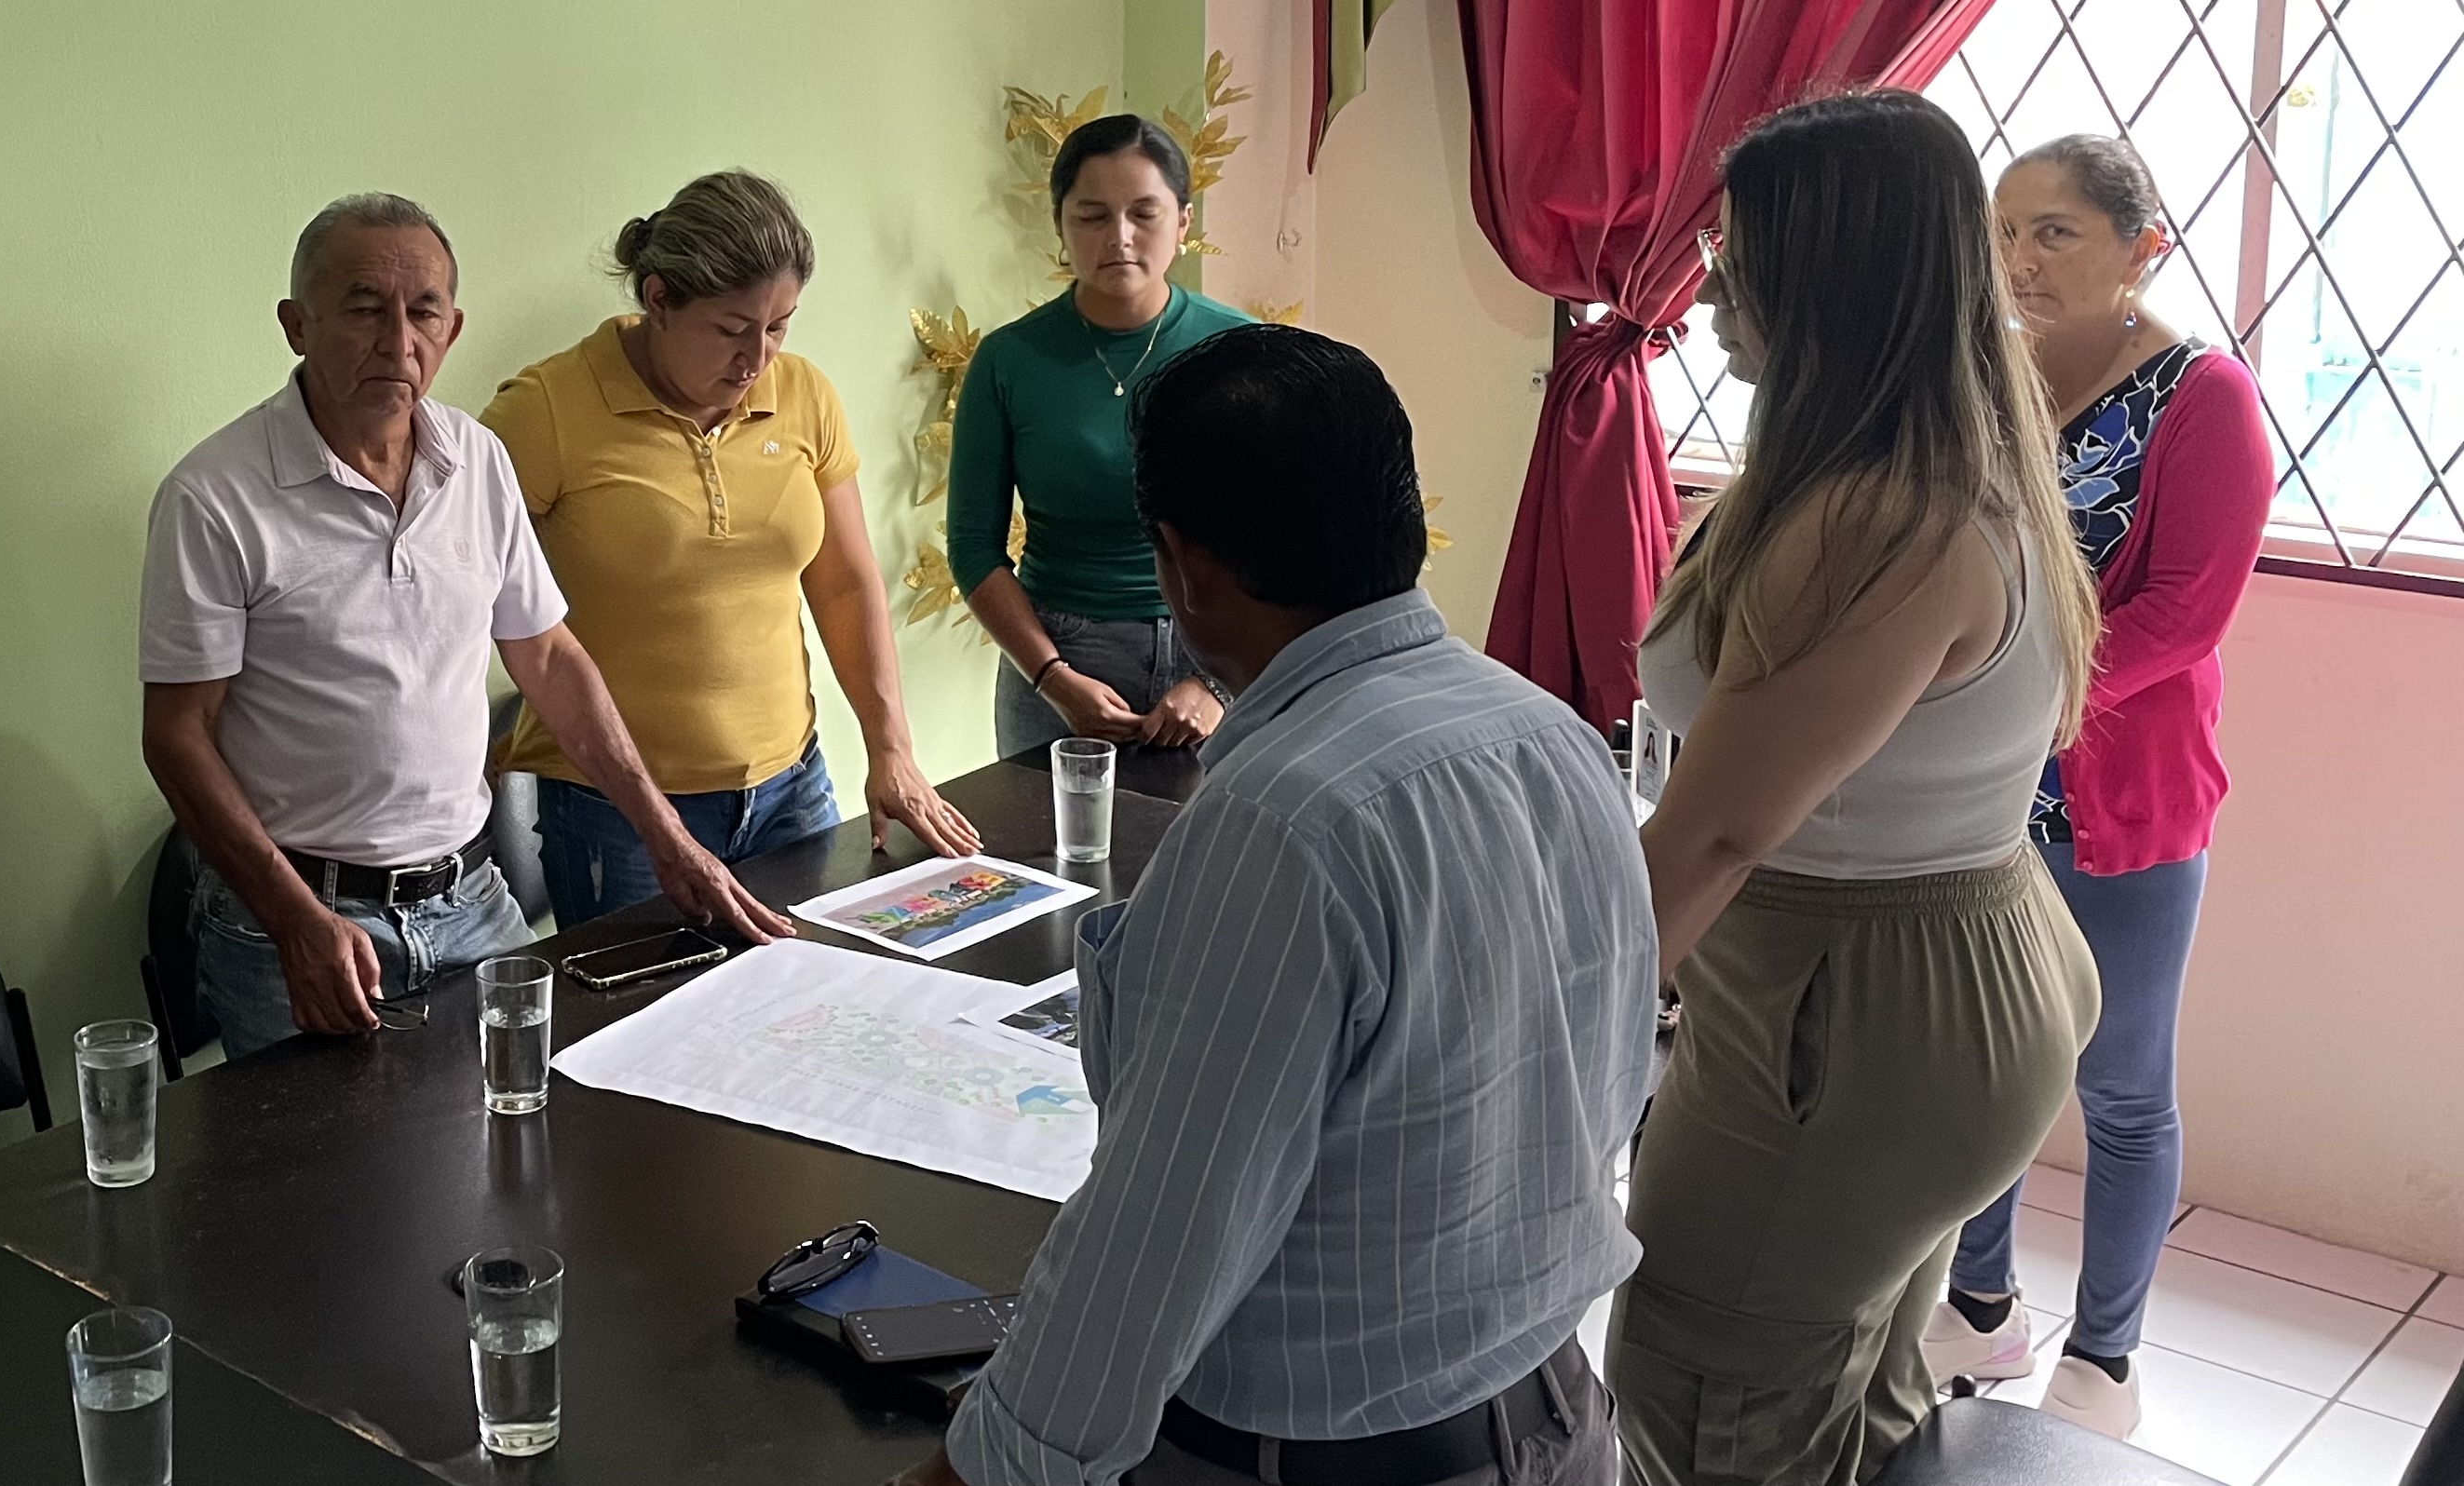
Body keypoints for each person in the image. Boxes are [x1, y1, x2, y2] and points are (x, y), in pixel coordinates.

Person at [902, 324, 1658, 1486]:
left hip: (1329, 1456)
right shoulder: (1548, 733)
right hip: (1553, 1412)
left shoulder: (1283, 820)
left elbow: (1155, 1240)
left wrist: (978, 1470)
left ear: (1183, 564)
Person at [1616, 91, 2105, 1486]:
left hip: (1856, 1006)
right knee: (1846, 1382)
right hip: (1940, 974)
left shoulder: (1877, 517)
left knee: (1711, 1380)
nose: (1710, 289)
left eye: (1739, 258)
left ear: (1832, 280)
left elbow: (1719, 831)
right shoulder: (1942, 464)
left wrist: (1538, 1036)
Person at [141, 193, 795, 1057]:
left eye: (423, 313)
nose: (397, 342)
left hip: (470, 902)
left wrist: (666, 836)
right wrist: (294, 920)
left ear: (451, 331)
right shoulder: (215, 496)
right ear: (297, 326)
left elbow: (548, 657)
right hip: (294, 918)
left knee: (537, 1113)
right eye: (364, 310)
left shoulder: (477, 460)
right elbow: (177, 735)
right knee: (324, 1150)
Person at [1922, 136, 2271, 1439]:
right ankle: (1981, 1303)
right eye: (2005, 230)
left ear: (2143, 249)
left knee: (2120, 1090)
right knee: (1984, 1060)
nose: (2019, 259)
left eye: (2056, 231)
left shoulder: (2205, 397)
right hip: (1982, 783)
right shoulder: (1990, 376)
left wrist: (2015, 690)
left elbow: (2186, 612)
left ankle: (2107, 1361)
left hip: (2120, 800)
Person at [480, 170, 981, 926]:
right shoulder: (545, 410)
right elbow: (473, 606)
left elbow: (844, 583)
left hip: (790, 789)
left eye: (779, 326)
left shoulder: (805, 394)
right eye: (731, 328)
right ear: (658, 299)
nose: (757, 358)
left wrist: (891, 749)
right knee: (657, 1004)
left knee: (825, 988)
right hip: (619, 815)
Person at [951, 115, 1254, 759]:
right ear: (1060, 226)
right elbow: (974, 546)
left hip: (1217, 652)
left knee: (1222, 828)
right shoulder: (1009, 361)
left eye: (1144, 213)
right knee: (1049, 829)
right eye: (1091, 216)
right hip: (1057, 656)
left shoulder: (1242, 351)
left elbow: (1286, 530)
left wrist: (1217, 682)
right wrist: (1052, 678)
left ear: (1184, 223)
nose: (1119, 237)